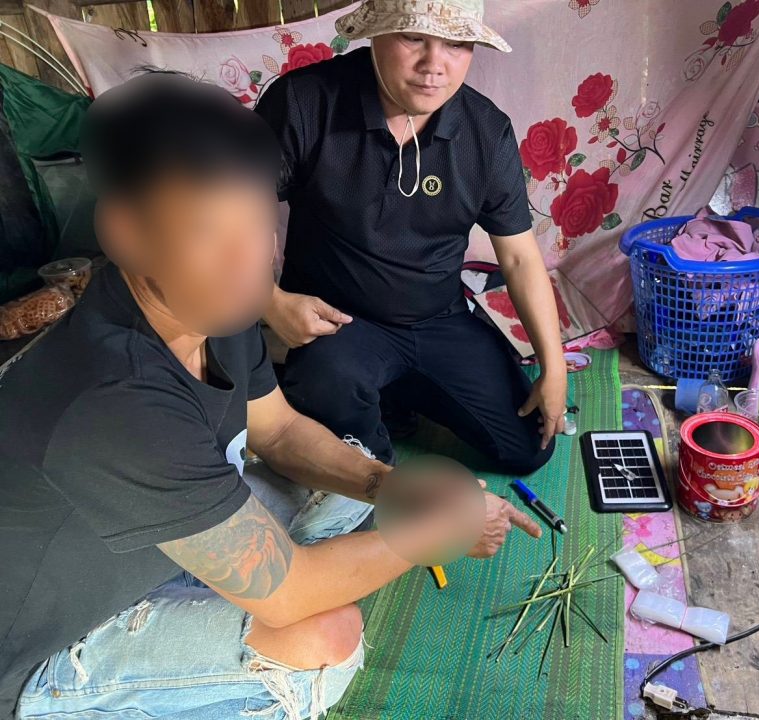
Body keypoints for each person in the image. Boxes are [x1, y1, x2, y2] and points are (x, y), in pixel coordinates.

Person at [0, 73, 540, 720]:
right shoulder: (117, 397)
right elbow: (288, 593)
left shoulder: (212, 306)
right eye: (207, 232)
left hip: (144, 545)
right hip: (51, 641)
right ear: (126, 232)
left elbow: (279, 431)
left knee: (354, 478)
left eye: (258, 222)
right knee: (328, 639)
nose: (249, 262)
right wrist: (435, 532)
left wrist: (394, 490)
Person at [255, 0, 568, 474]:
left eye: (456, 44)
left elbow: (520, 259)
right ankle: (369, 402)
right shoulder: (304, 101)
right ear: (376, 34)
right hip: (338, 324)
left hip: (439, 318)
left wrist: (554, 366)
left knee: (528, 448)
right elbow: (236, 216)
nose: (433, 65)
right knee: (357, 461)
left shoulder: (486, 131)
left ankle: (395, 392)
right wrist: (271, 301)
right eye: (413, 37)